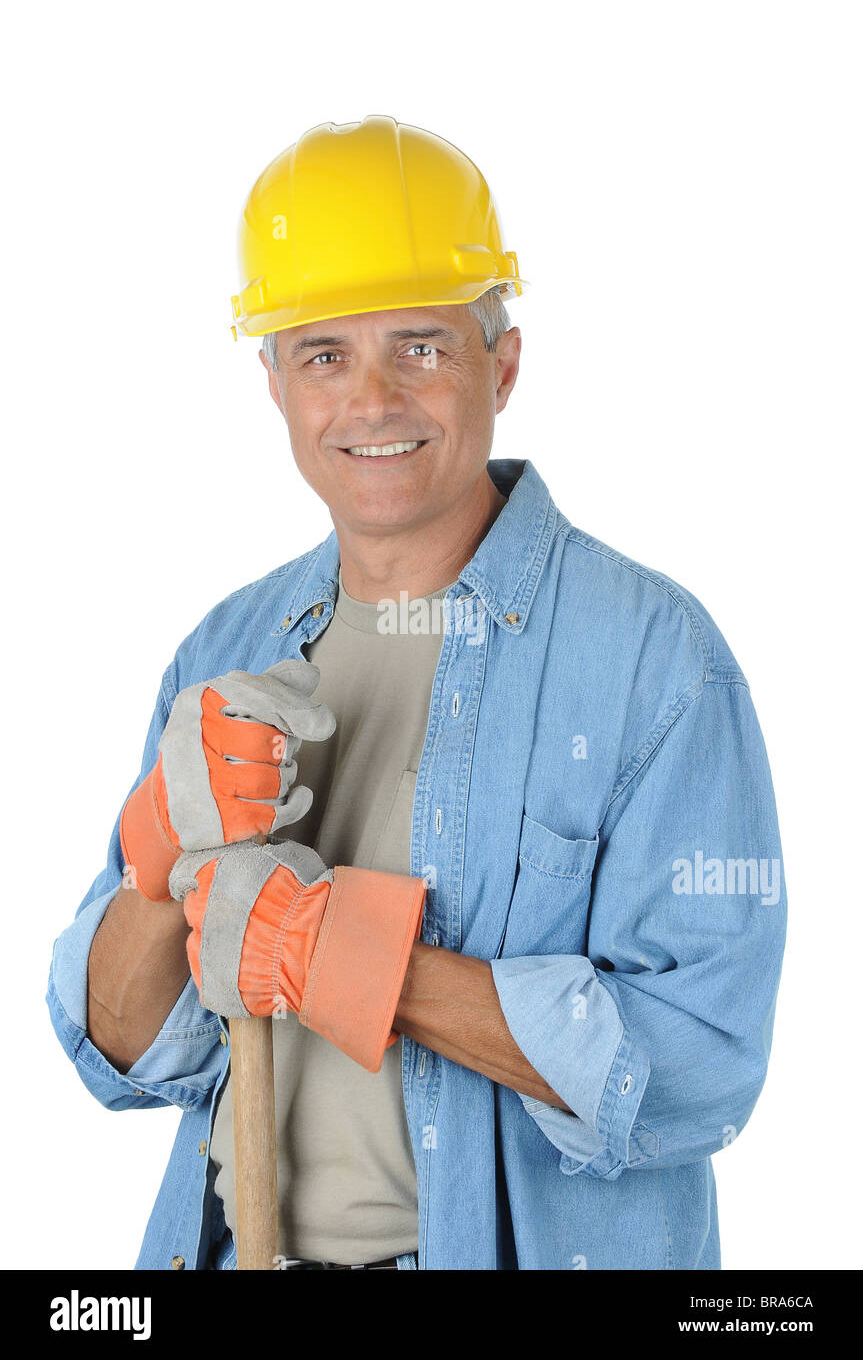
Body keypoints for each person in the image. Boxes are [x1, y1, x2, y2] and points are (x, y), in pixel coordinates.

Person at [47, 115, 786, 1271]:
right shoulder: (223, 648)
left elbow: (699, 1065)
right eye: (323, 354)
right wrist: (156, 870)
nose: (373, 400)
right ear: (275, 382)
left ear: (502, 362)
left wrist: (352, 956)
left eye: (422, 346)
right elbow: (117, 1053)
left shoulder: (654, 662)